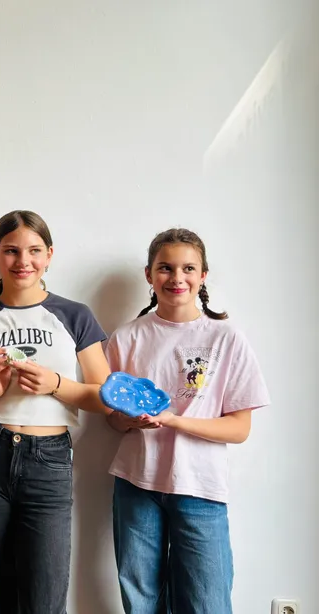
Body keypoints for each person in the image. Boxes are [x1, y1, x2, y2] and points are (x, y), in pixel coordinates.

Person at [105, 228, 270, 613]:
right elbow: (111, 418)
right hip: (136, 483)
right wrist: (132, 422)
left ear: (203, 275)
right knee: (140, 600)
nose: (176, 278)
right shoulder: (126, 338)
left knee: (207, 602)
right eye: (165, 268)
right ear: (149, 275)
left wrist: (174, 421)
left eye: (188, 268)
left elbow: (239, 429)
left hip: (201, 486)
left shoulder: (226, 338)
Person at [0, 210, 111, 614]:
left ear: (49, 255)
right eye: (11, 251)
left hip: (49, 458)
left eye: (33, 251)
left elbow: (104, 395)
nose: (22, 261)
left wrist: (56, 385)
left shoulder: (74, 314)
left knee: (45, 593)